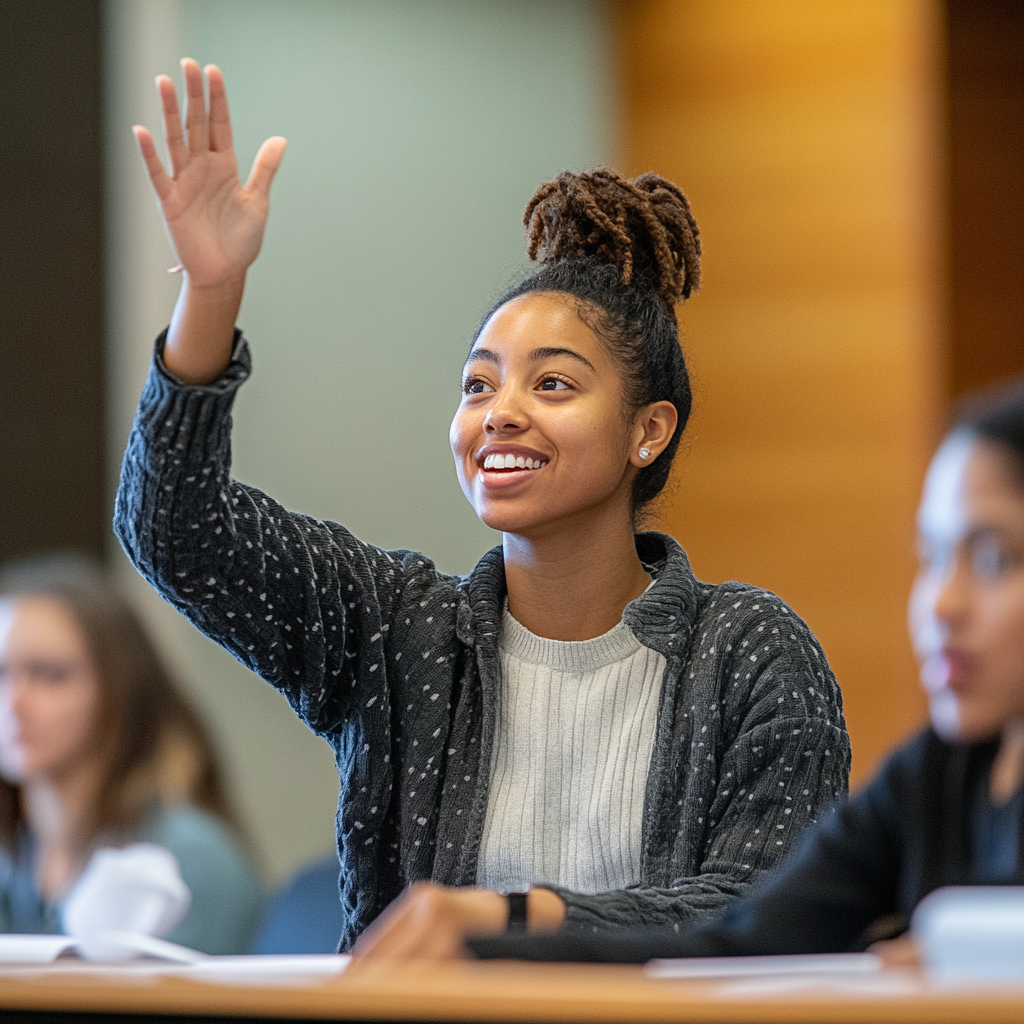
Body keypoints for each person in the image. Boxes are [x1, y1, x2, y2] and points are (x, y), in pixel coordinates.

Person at [116, 59, 850, 956]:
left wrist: (510, 922)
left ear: (646, 432)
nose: (500, 412)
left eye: (551, 384)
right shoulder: (401, 632)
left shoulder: (748, 650)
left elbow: (763, 911)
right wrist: (212, 294)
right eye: (477, 384)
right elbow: (174, 527)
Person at [469, 379, 1024, 963]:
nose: (942, 603)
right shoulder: (936, 774)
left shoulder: (760, 646)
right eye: (933, 557)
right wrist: (483, 942)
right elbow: (744, 943)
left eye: (993, 559)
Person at [0, 554, 262, 955]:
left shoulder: (187, 863)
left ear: (120, 692)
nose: (13, 703)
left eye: (49, 674)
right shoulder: (13, 864)